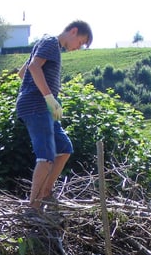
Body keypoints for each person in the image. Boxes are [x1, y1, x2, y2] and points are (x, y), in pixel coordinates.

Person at [15, 20, 93, 211]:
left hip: (43, 107)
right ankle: (33, 207)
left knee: (65, 148)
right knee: (46, 156)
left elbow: (22, 73)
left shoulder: (49, 45)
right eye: (80, 42)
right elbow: (33, 67)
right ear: (73, 31)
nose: (77, 48)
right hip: (36, 106)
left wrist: (50, 98)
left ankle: (46, 192)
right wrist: (49, 97)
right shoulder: (50, 42)